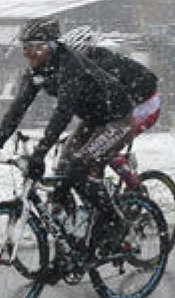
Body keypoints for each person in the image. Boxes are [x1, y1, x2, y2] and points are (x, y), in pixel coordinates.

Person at [0, 18, 137, 269]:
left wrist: (38, 154)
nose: (30, 54)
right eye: (26, 48)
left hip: (118, 120)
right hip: (93, 120)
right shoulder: (36, 71)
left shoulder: (70, 65)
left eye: (36, 47)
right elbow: (16, 111)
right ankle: (71, 247)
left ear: (52, 45)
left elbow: (63, 114)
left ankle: (118, 225)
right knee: (62, 170)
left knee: (79, 167)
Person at [60, 25, 161, 190]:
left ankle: (135, 187)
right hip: (120, 108)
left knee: (105, 149)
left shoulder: (105, 67)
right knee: (91, 148)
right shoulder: (87, 64)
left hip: (145, 105)